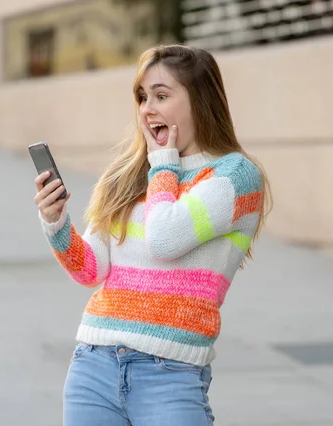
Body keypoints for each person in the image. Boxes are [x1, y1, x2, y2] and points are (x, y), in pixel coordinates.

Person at [34, 44, 272, 426]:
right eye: (142, 97)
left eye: (161, 95)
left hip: (171, 376)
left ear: (199, 100)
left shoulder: (235, 176)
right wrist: (56, 223)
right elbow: (91, 270)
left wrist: (164, 162)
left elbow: (164, 238)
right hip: (93, 366)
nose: (147, 109)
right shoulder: (125, 176)